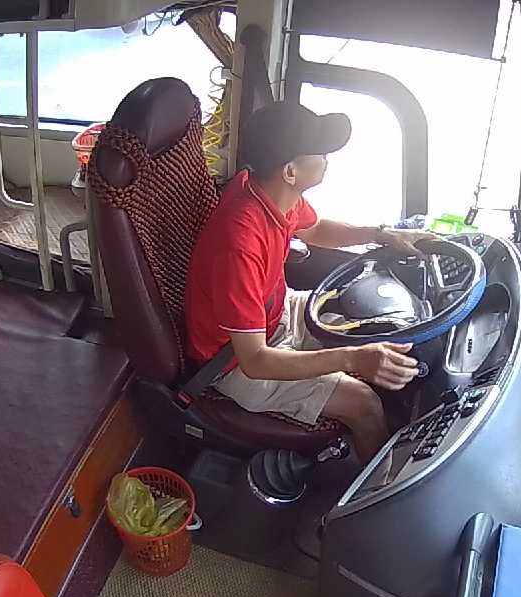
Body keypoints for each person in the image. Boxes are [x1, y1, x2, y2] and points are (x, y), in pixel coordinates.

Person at [184, 101, 433, 461]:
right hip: (235, 363)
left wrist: (380, 234)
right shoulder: (239, 243)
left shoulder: (268, 192)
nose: (327, 158)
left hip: (275, 314)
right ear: (290, 171)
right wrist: (351, 360)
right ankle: (379, 490)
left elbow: (315, 229)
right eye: (319, 151)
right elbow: (255, 361)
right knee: (364, 404)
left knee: (370, 325)